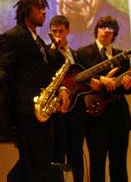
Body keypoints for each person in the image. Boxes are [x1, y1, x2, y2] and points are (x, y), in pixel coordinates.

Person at [0, 0, 70, 182]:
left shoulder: (40, 40)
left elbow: (52, 70)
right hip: (28, 111)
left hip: (45, 110)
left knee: (43, 164)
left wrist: (62, 89)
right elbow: (4, 66)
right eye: (39, 8)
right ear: (26, 11)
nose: (44, 11)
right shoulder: (14, 36)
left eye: (44, 7)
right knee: (31, 165)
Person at [77, 15, 131, 182]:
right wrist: (100, 80)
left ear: (114, 33)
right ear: (97, 30)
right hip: (95, 117)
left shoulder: (122, 56)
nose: (105, 31)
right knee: (97, 164)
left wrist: (128, 85)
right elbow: (79, 80)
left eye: (110, 29)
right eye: (102, 27)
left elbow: (127, 90)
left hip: (119, 116)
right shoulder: (83, 53)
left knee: (119, 164)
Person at [48, 15, 85, 182]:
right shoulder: (47, 54)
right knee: (56, 155)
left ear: (68, 31)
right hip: (56, 111)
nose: (57, 35)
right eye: (54, 31)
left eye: (61, 31)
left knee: (77, 152)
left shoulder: (76, 55)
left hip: (75, 110)